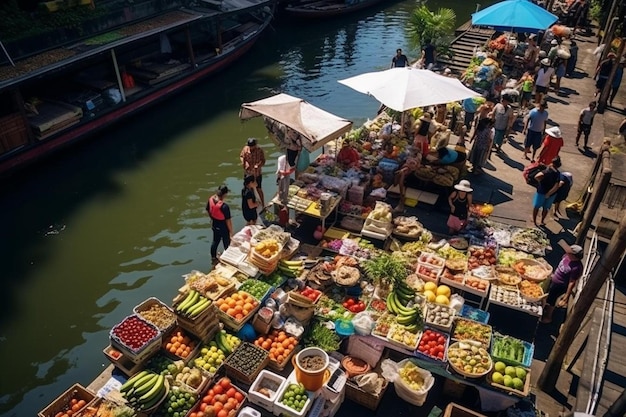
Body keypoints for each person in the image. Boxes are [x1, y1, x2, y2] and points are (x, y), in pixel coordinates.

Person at [541, 244, 584, 323]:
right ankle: (545, 309)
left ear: (574, 255)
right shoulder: (566, 257)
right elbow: (560, 267)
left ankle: (548, 317)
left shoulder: (576, 267)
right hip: (554, 280)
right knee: (548, 295)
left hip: (560, 285)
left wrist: (566, 297)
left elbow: (572, 282)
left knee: (551, 301)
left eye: (569, 252)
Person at [532, 156, 563, 226]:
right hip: (552, 194)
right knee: (546, 208)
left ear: (552, 163)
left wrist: (541, 182)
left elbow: (536, 176)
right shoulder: (558, 174)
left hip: (541, 191)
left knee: (536, 207)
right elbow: (556, 186)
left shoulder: (547, 171)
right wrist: (549, 193)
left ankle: (534, 221)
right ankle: (542, 221)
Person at [206, 185, 233, 262]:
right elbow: (228, 221)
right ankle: (228, 259)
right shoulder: (224, 207)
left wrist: (212, 218)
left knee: (215, 241)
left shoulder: (210, 199)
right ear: (225, 194)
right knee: (226, 243)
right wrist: (231, 232)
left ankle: (213, 258)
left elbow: (208, 210)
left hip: (215, 224)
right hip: (223, 226)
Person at [239, 138, 266, 206]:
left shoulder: (259, 150)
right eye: (250, 146)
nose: (251, 148)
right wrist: (245, 163)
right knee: (248, 189)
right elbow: (241, 156)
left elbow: (263, 160)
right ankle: (251, 203)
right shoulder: (245, 149)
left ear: (255, 145)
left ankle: (263, 204)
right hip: (248, 173)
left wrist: (258, 165)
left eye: (252, 146)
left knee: (259, 188)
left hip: (257, 173)